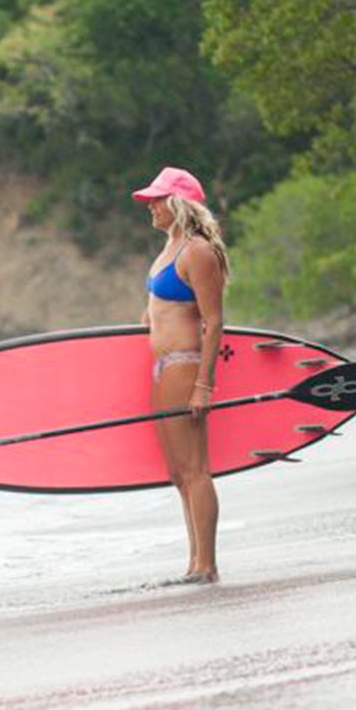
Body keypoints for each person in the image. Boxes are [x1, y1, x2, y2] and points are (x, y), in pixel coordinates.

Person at [133, 166, 230, 584]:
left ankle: (206, 565)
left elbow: (213, 322)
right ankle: (194, 563)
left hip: (183, 365)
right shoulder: (169, 247)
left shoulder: (197, 252)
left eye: (156, 200)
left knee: (195, 468)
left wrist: (204, 386)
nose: (150, 207)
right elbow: (159, 307)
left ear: (177, 203)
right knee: (176, 474)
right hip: (160, 368)